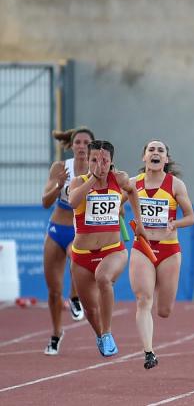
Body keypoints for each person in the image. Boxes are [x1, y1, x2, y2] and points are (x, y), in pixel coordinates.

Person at [68, 140, 145, 357]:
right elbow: (73, 202)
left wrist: (137, 221)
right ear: (88, 161)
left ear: (111, 162)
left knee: (103, 278)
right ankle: (101, 335)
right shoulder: (78, 182)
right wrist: (93, 177)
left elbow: (133, 191)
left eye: (104, 160)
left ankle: (108, 332)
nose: (99, 164)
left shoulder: (119, 179)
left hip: (113, 249)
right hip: (81, 256)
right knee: (90, 309)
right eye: (94, 160)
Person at [129, 140, 194, 369]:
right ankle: (149, 352)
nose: (155, 153)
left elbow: (191, 217)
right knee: (143, 299)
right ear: (143, 157)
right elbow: (112, 206)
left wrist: (175, 223)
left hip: (168, 250)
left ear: (166, 159)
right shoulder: (132, 184)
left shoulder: (175, 185)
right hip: (142, 248)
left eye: (160, 151)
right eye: (151, 150)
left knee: (164, 310)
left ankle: (155, 281)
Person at [41, 128, 93, 355]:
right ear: (72, 146)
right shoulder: (60, 168)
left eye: (86, 143)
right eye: (78, 142)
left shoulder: (96, 170)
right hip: (56, 229)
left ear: (91, 146)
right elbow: (45, 202)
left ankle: (75, 296)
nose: (82, 146)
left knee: (75, 260)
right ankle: (56, 333)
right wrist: (58, 186)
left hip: (79, 230)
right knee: (53, 291)